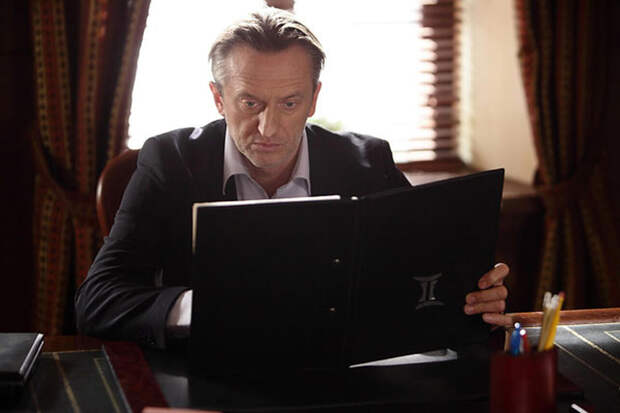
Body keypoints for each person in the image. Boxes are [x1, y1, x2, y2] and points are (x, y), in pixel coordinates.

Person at [75, 8, 510, 349]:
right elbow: (97, 300)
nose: (268, 129)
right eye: (250, 103)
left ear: (313, 99)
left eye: (289, 103)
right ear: (218, 99)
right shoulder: (169, 162)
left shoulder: (367, 162)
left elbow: (421, 277)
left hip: (338, 375)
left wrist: (472, 296)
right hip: (207, 371)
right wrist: (202, 308)